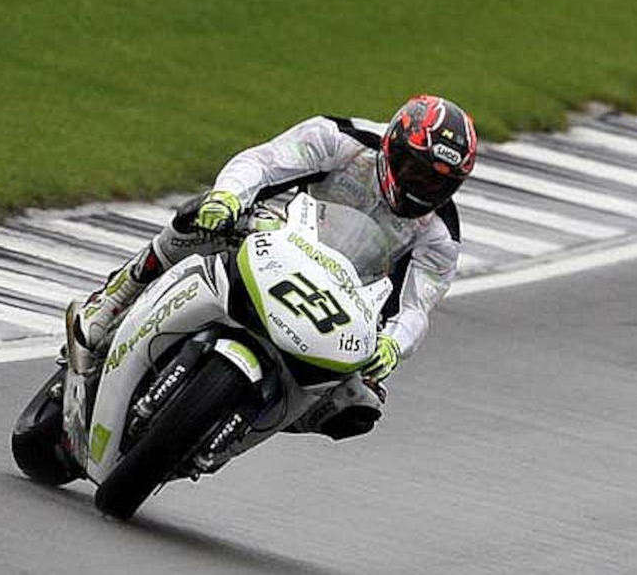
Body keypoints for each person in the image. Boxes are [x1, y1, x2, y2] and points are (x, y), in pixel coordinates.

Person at [68, 94, 477, 439]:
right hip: (281, 241)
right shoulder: (341, 140)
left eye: (436, 183)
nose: (421, 188)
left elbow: (416, 307)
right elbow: (262, 162)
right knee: (198, 218)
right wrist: (228, 196)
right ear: (393, 145)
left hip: (343, 304)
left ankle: (242, 425)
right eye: (414, 171)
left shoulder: (441, 233)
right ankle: (114, 300)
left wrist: (392, 346)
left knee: (360, 404)